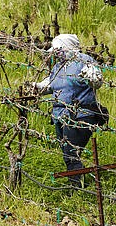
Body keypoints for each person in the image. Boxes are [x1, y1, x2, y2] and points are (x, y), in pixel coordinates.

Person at [32, 34, 105, 188]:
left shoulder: (84, 61)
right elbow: (51, 84)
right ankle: (77, 181)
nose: (56, 53)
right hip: (60, 116)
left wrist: (92, 77)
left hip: (80, 115)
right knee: (67, 152)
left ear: (68, 47)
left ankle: (77, 187)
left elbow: (97, 81)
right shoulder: (58, 66)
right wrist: (37, 87)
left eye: (59, 50)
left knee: (71, 152)